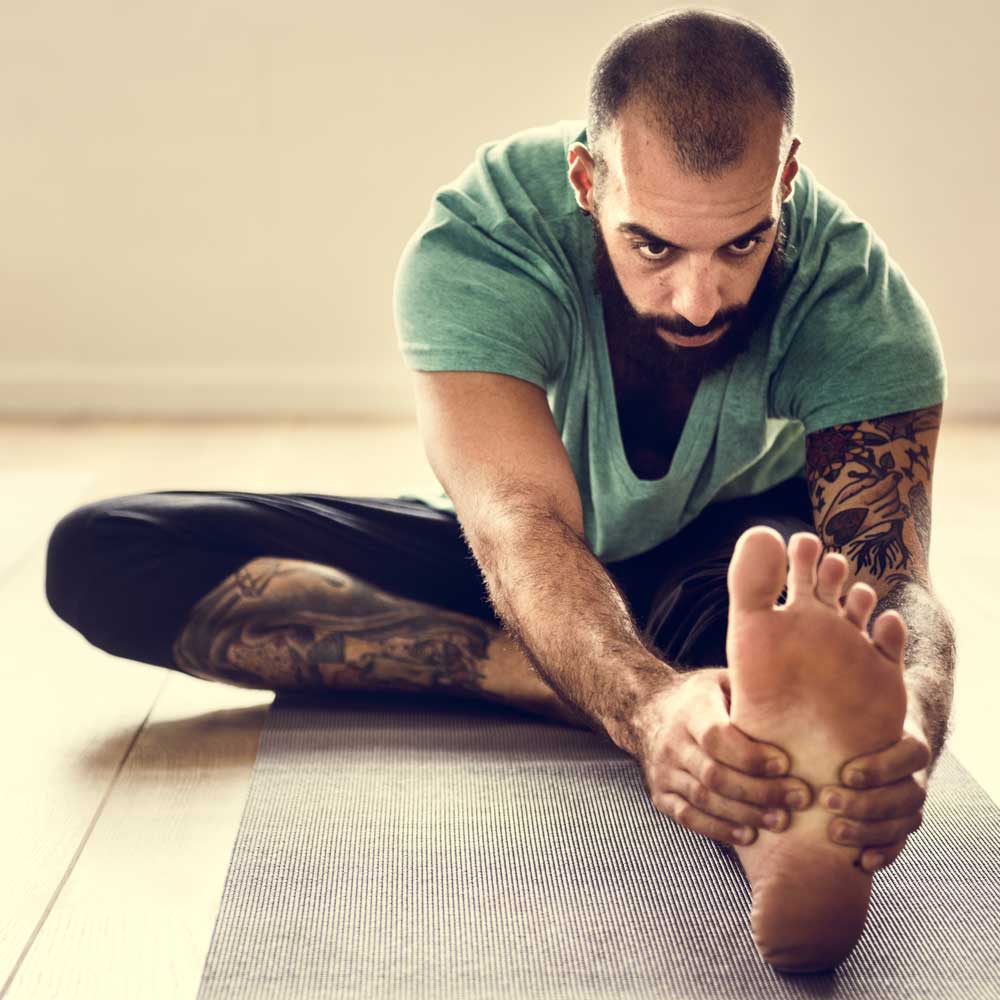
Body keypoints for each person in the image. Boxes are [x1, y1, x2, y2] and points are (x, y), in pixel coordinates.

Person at [45, 7, 955, 971]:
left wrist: (905, 721)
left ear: (786, 177)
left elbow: (896, 582)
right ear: (586, 181)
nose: (698, 300)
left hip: (724, 569)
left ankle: (765, 759)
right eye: (653, 247)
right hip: (523, 558)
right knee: (104, 555)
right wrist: (643, 707)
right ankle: (624, 695)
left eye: (741, 244)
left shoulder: (856, 301)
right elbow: (520, 524)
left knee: (794, 603)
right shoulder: (484, 242)